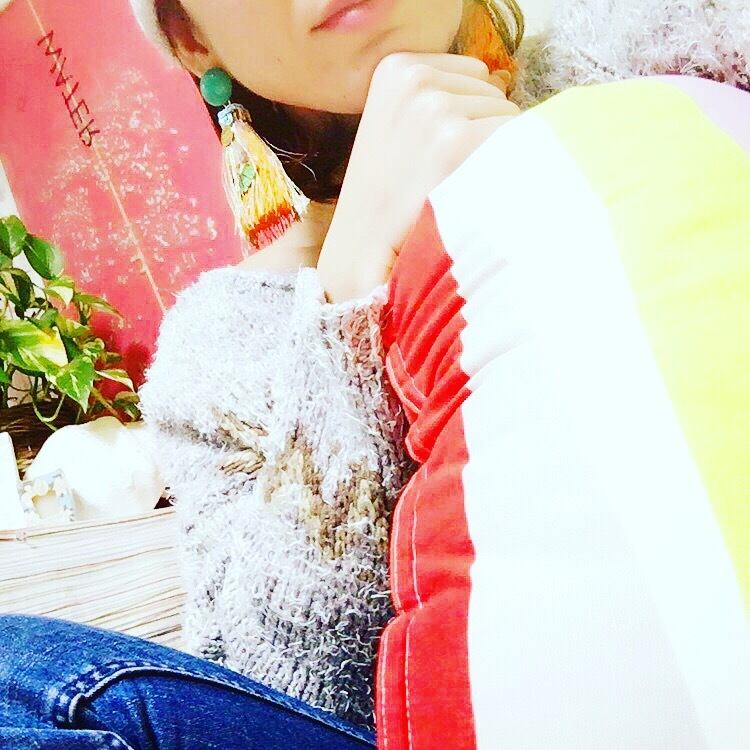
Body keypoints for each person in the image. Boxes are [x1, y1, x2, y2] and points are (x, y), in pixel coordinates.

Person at [0, 1, 523, 747]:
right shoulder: (220, 340)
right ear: (191, 37)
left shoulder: (659, 54)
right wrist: (347, 303)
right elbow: (276, 699)